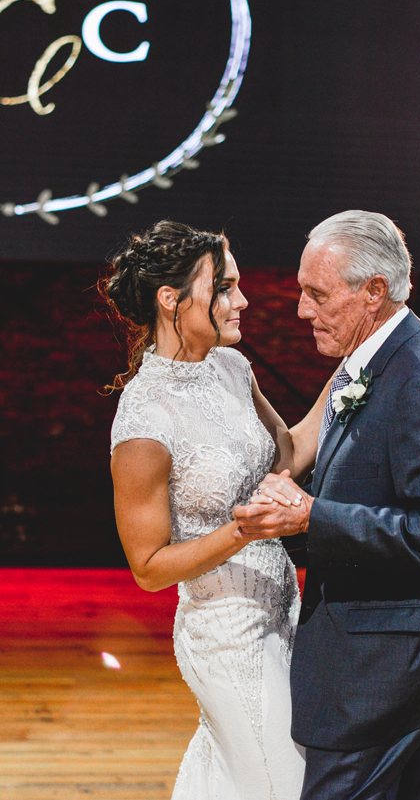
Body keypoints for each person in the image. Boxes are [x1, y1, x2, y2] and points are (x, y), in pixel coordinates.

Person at [233, 211, 420, 799]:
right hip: (388, 657)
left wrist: (313, 516)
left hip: (386, 668)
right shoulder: (375, 363)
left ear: (375, 292)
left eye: (316, 294)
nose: (301, 310)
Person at [102, 221, 331, 799]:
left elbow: (291, 453)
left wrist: (356, 368)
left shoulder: (233, 369)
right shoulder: (143, 420)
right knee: (291, 788)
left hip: (286, 615)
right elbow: (148, 568)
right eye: (225, 288)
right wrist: (241, 531)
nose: (243, 300)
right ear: (171, 300)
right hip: (227, 639)